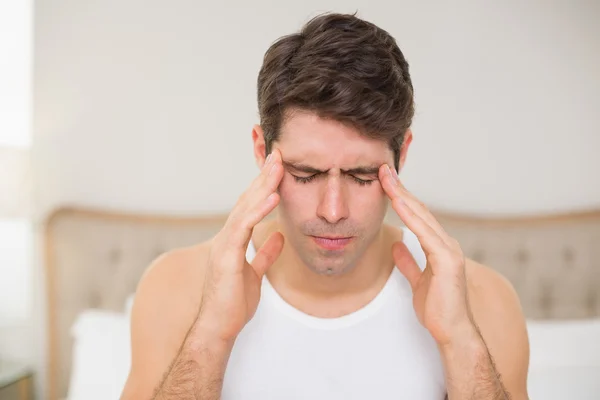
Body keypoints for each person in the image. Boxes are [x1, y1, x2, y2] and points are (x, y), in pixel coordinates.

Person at [120, 12, 529, 400]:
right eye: (306, 174)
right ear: (263, 151)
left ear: (401, 154)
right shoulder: (175, 289)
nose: (333, 211)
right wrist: (210, 333)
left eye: (363, 175)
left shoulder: (483, 301)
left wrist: (459, 341)